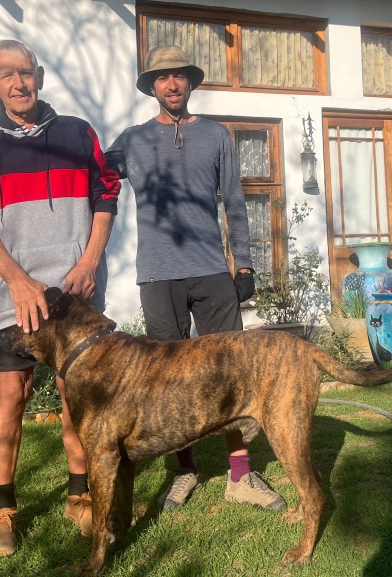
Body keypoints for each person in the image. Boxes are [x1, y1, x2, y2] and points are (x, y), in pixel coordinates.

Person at [0, 40, 121, 558]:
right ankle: (4, 509)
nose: (18, 83)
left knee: (78, 397)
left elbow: (106, 190)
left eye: (25, 72)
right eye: (6, 75)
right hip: (13, 294)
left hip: (76, 290)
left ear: (40, 76)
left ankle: (78, 494)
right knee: (10, 395)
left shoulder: (77, 132)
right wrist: (20, 281)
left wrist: (90, 260)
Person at [104, 44, 285, 514]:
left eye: (180, 76)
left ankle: (241, 475)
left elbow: (237, 205)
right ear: (152, 87)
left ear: (190, 82)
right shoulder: (132, 141)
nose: (172, 84)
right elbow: (90, 177)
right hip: (157, 275)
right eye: (163, 77)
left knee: (232, 374)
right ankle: (183, 470)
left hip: (211, 271)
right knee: (166, 380)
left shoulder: (217, 136)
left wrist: (244, 265)